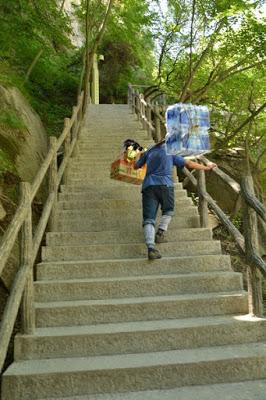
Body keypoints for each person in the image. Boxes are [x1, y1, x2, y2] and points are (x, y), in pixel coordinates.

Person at [134, 140, 217, 260]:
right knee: (168, 210)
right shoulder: (171, 151)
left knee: (149, 219)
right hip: (165, 186)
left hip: (148, 186)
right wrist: (206, 167)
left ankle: (151, 248)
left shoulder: (150, 151)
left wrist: (138, 155)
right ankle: (161, 232)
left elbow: (136, 166)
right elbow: (189, 164)